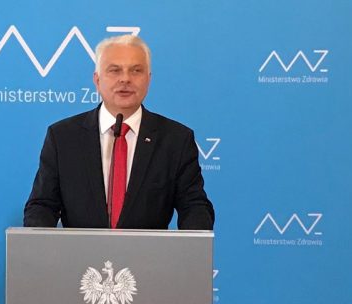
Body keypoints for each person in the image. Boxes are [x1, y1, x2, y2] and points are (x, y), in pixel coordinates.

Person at [24, 34, 214, 230]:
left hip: (147, 251)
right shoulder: (63, 137)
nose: (125, 79)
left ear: (148, 79)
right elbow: (42, 206)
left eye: (136, 71)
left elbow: (194, 206)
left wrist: (194, 241)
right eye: (114, 70)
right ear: (97, 79)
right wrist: (40, 243)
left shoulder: (176, 139)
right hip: (79, 250)